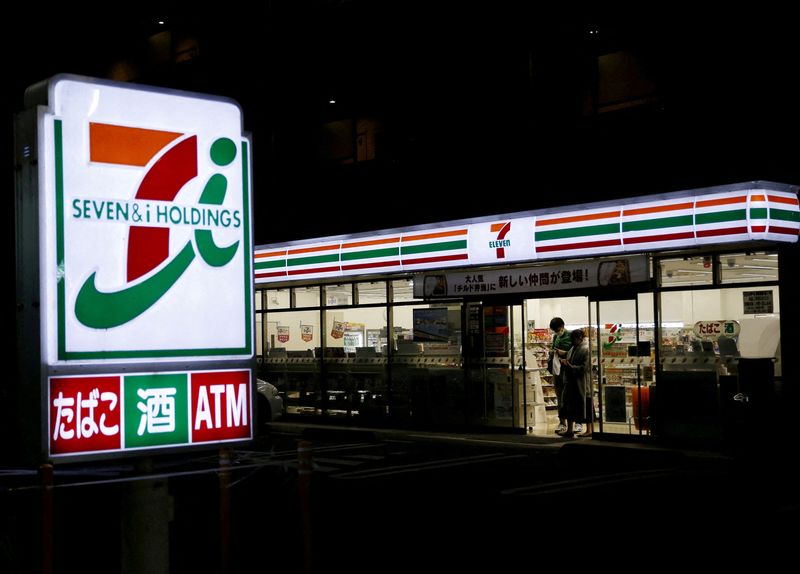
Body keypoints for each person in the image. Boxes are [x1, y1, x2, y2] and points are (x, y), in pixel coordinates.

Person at [557, 328, 593, 438]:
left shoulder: (586, 349)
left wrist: (571, 367)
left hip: (582, 384)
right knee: (569, 406)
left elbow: (585, 368)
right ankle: (570, 429)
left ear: (580, 338)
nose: (572, 341)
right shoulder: (573, 348)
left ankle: (589, 430)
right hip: (571, 383)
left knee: (586, 406)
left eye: (574, 339)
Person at [549, 317, 572, 434]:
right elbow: (553, 348)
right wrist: (552, 352)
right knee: (559, 396)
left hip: (568, 370)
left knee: (569, 397)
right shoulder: (555, 337)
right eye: (555, 330)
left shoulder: (571, 335)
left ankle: (574, 423)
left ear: (563, 325)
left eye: (558, 329)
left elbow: (576, 351)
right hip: (557, 370)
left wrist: (565, 353)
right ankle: (562, 422)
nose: (557, 332)